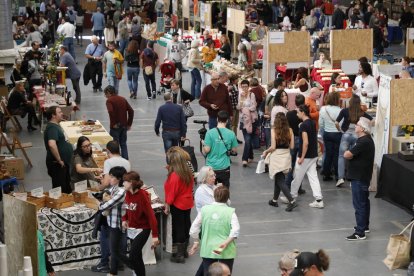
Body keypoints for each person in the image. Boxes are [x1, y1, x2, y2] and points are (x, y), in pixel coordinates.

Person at [189, 186, 240, 275]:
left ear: (214, 196)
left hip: (208, 248)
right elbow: (235, 230)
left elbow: (194, 229)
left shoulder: (204, 210)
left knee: (208, 272)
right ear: (227, 198)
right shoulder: (231, 212)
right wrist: (226, 243)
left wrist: (196, 242)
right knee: (225, 273)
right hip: (226, 250)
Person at [120, 171, 160, 274]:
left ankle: (137, 272)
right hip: (132, 229)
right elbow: (126, 208)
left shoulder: (142, 196)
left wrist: (155, 235)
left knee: (132, 256)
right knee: (137, 257)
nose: (123, 183)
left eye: (125, 181)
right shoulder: (127, 193)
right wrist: (124, 219)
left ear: (132, 182)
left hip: (143, 229)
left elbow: (151, 216)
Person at [344, 117, 375, 240]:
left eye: (357, 125)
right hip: (363, 176)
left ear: (362, 128)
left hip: (359, 177)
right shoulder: (366, 140)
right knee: (364, 202)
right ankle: (364, 226)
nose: (355, 126)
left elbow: (347, 154)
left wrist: (348, 153)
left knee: (359, 204)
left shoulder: (363, 142)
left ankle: (360, 232)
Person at [164, 146, 194, 263]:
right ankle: (185, 250)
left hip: (177, 204)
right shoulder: (187, 172)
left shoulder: (174, 176)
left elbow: (172, 192)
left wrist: (167, 204)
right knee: (186, 225)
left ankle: (178, 254)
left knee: (177, 228)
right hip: (187, 202)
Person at [290, 105, 324, 208]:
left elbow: (305, 143)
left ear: (302, 112)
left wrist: (302, 157)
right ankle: (318, 199)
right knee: (313, 177)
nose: (297, 114)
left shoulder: (304, 126)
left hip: (305, 156)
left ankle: (291, 196)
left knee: (297, 177)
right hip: (313, 155)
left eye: (298, 112)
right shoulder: (312, 123)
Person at [262, 112, 297, 212]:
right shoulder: (290, 130)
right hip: (286, 156)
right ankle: (274, 200)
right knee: (279, 178)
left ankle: (292, 201)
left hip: (277, 157)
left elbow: (273, 147)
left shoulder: (274, 130)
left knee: (280, 180)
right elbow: (292, 147)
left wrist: (266, 151)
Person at [98, 166, 127, 276]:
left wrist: (101, 204)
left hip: (118, 224)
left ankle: (113, 272)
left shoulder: (121, 192)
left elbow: (106, 205)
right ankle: (115, 269)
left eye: (112, 177)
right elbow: (105, 194)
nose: (109, 179)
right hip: (112, 222)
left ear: (119, 179)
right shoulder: (114, 188)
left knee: (114, 249)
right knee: (115, 248)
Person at [203, 111, 238, 188]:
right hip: (224, 167)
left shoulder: (210, 133)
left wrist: (203, 144)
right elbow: (234, 150)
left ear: (217, 119)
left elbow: (207, 150)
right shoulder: (231, 133)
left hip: (211, 167)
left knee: (210, 190)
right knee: (224, 190)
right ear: (227, 120)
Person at [44, 106, 73, 193]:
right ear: (53, 115)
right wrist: (59, 160)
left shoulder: (55, 125)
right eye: (59, 112)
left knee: (66, 185)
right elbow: (52, 144)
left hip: (62, 163)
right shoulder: (52, 128)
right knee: (60, 189)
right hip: (57, 164)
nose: (62, 113)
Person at [104, 85, 134, 160]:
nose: (105, 96)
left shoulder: (109, 100)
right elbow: (131, 111)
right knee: (123, 144)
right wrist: (129, 124)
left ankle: (117, 161)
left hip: (115, 127)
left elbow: (110, 111)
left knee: (114, 145)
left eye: (106, 94)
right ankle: (126, 161)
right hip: (124, 126)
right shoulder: (122, 99)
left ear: (109, 92)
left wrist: (114, 123)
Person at [319, 92, 342, 181]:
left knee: (328, 153)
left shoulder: (323, 109)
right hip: (337, 134)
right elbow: (342, 124)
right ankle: (337, 175)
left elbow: (321, 124)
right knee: (337, 154)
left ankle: (326, 174)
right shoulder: (340, 110)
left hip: (327, 133)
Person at [237, 79, 258, 167]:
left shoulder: (251, 94)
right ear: (241, 87)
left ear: (248, 86)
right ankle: (245, 159)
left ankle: (250, 155)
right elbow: (238, 106)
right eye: (243, 86)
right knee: (248, 139)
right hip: (243, 120)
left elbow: (254, 106)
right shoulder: (240, 95)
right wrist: (240, 106)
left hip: (251, 120)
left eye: (246, 86)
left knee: (250, 138)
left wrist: (246, 109)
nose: (244, 88)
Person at [228, 74, 242, 144]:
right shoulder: (229, 86)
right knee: (232, 124)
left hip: (236, 107)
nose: (238, 80)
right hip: (232, 108)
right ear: (233, 80)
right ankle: (231, 138)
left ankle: (235, 137)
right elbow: (230, 98)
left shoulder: (236, 86)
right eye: (237, 79)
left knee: (235, 124)